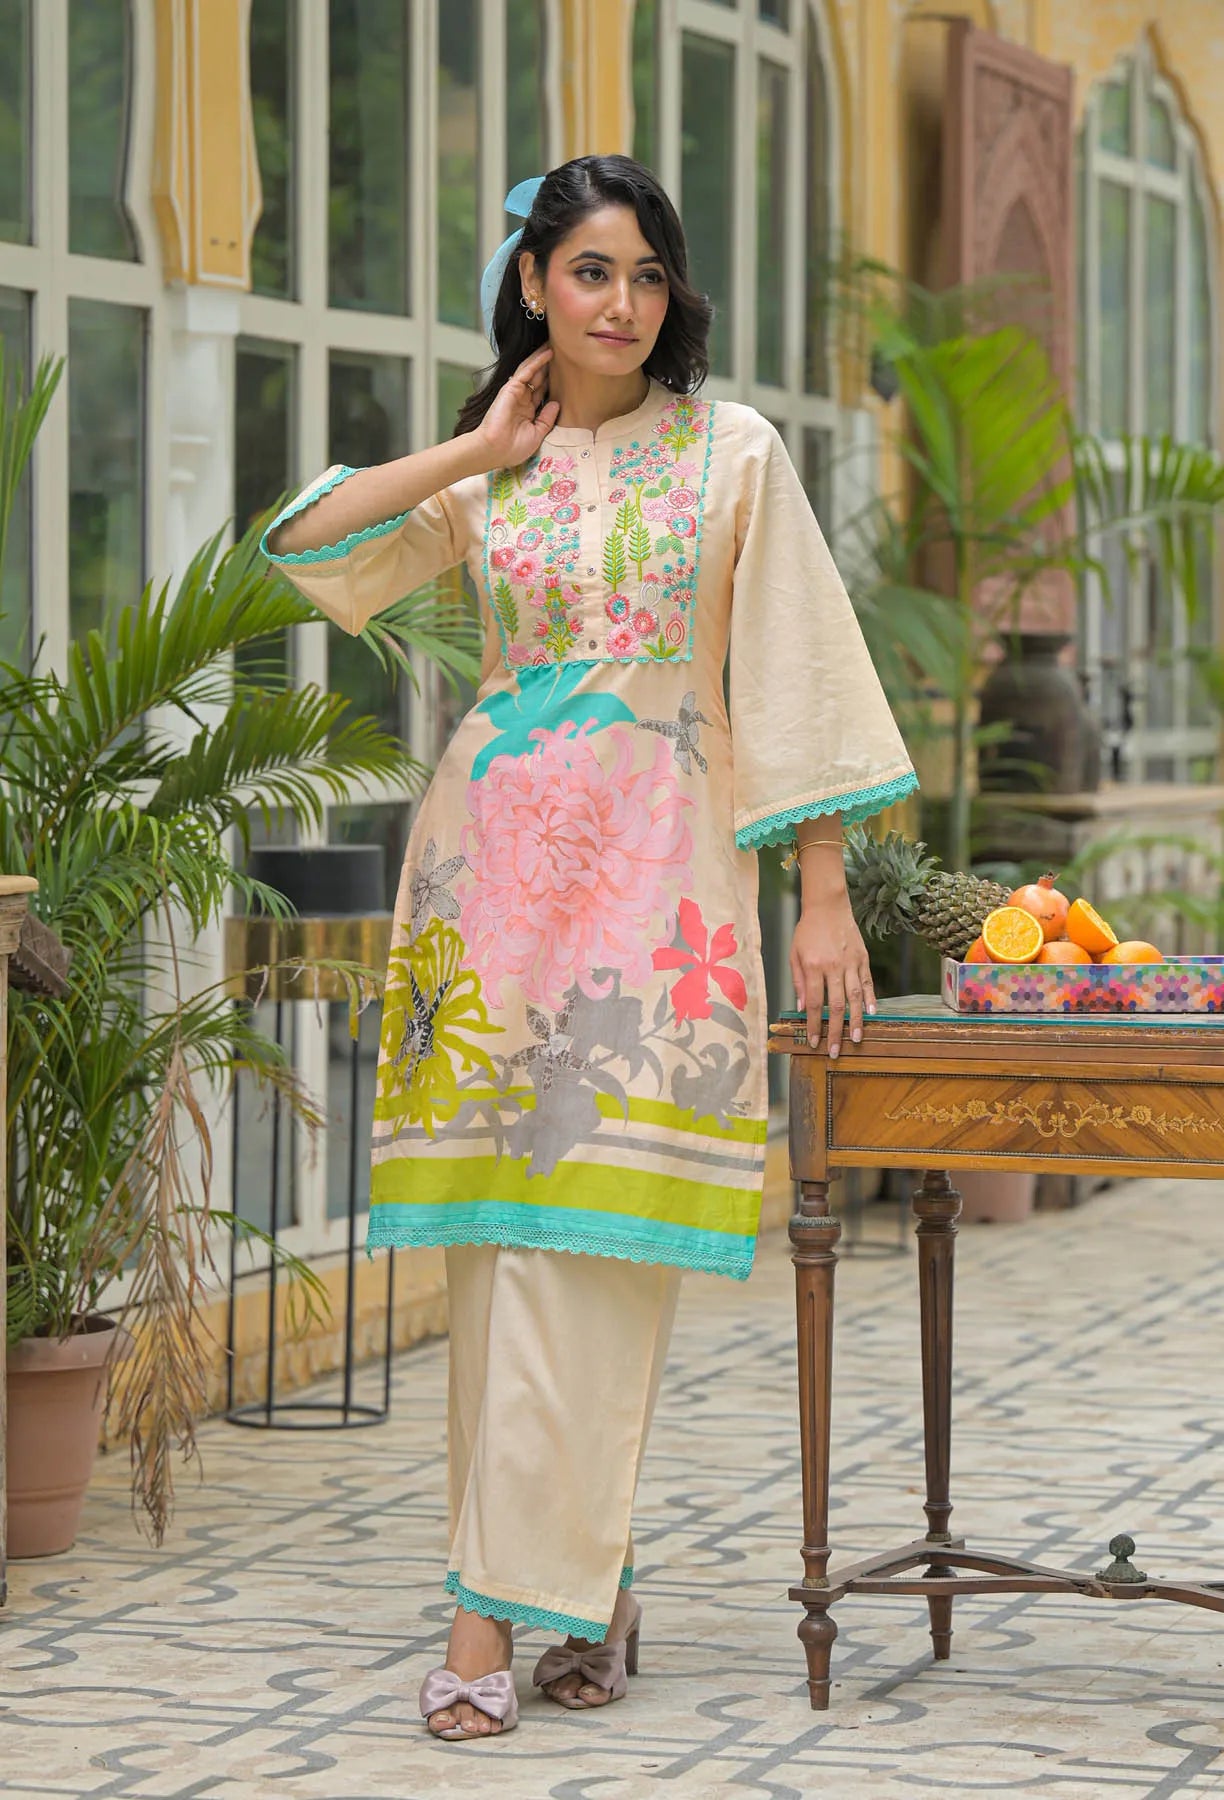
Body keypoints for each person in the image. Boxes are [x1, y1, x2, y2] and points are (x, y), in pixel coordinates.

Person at [262, 155, 916, 1741]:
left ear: (669, 292)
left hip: (659, 897)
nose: (619, 304)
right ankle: (583, 1584)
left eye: (641, 275)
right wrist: (479, 446)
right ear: (536, 288)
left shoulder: (730, 452)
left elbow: (795, 676)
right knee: (502, 1260)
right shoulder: (502, 466)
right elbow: (302, 543)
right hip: (487, 888)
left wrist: (822, 892)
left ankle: (487, 1615)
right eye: (586, 274)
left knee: (588, 1257)